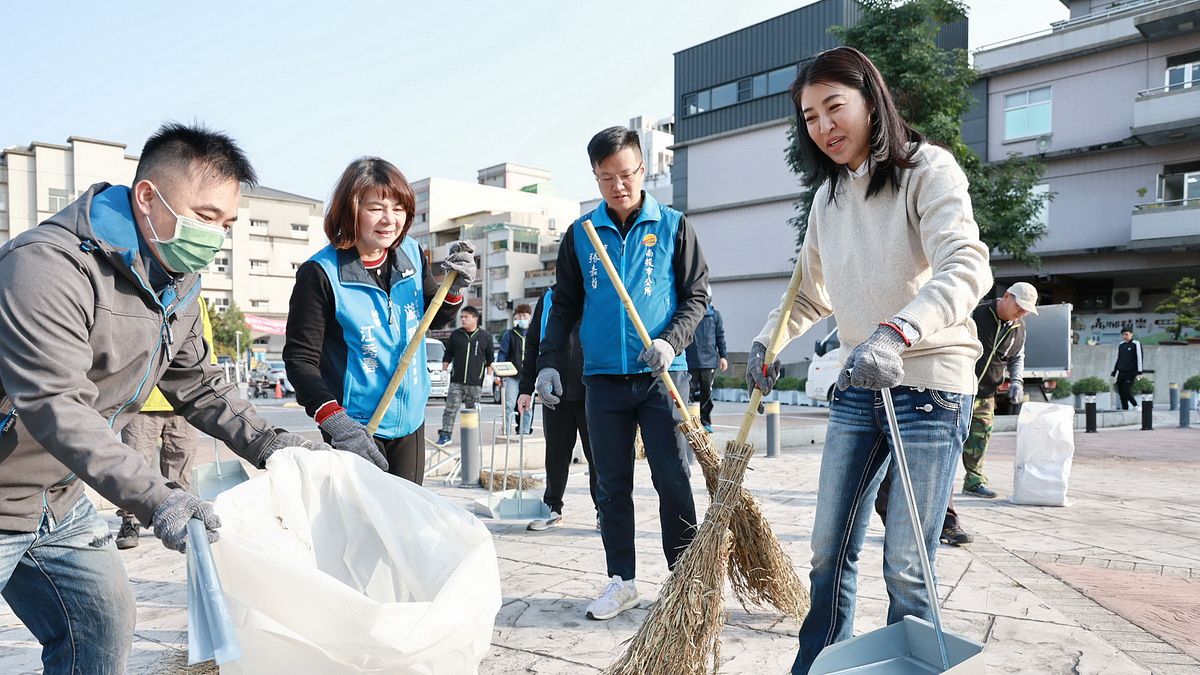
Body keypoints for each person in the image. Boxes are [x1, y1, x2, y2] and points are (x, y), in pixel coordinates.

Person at [0, 122, 373, 673]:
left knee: (101, 626)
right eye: (204, 217)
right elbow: (58, 403)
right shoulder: (45, 268)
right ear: (148, 196)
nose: (215, 237)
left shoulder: (176, 278)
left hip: (57, 497)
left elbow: (197, 383)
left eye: (227, 222)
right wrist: (158, 498)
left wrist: (278, 446)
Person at [744, 48, 991, 674]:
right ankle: (818, 664)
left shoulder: (928, 170)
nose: (824, 126)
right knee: (829, 548)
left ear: (869, 102)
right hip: (862, 385)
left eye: (835, 107)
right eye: (809, 116)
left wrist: (898, 331)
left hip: (929, 384)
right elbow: (808, 290)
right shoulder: (828, 198)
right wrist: (768, 342)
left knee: (908, 563)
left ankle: (906, 666)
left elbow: (968, 263)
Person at [537, 126, 709, 621]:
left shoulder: (674, 226)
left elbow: (697, 297)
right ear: (595, 177)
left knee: (672, 479)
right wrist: (548, 363)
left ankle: (684, 582)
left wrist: (668, 342)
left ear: (643, 170)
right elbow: (564, 306)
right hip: (603, 382)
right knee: (610, 485)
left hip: (659, 379)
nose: (619, 185)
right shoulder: (581, 234)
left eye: (627, 174)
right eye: (606, 177)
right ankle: (622, 580)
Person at [284, 157, 475, 485]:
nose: (390, 219)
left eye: (399, 208)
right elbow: (300, 362)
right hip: (355, 428)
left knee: (406, 527)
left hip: (409, 421)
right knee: (362, 530)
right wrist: (336, 423)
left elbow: (433, 315)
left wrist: (453, 288)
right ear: (350, 209)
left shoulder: (412, 254)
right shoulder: (321, 274)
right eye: (376, 208)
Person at [115, 297, 217, 549]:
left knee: (180, 467)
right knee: (133, 466)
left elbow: (205, 345)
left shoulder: (194, 297)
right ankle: (130, 521)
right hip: (141, 403)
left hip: (182, 403)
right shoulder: (134, 293)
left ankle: (179, 520)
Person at [517, 286, 599, 531]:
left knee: (598, 457)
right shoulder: (549, 298)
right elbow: (533, 343)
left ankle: (603, 512)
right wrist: (525, 388)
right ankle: (553, 509)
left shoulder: (598, 290)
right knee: (555, 455)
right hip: (553, 391)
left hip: (592, 392)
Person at [961, 282, 1038, 498]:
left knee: (980, 438)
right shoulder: (976, 313)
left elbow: (1017, 357)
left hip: (986, 394)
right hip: (958, 389)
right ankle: (939, 482)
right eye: (1019, 307)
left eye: (1026, 311)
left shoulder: (1019, 328)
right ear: (1006, 296)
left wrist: (1017, 381)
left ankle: (974, 481)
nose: (1021, 313)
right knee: (949, 437)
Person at [436, 305, 494, 447]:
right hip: (457, 381)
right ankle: (445, 435)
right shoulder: (456, 335)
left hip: (475, 382)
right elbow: (448, 354)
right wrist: (444, 370)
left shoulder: (485, 336)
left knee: (472, 411)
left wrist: (489, 376)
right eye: (461, 316)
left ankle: (471, 437)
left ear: (475, 318)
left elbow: (490, 359)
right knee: (450, 408)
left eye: (466, 316)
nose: (462, 319)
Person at [685, 293, 728, 433]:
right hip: (690, 360)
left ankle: (705, 422)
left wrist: (723, 356)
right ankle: (688, 422)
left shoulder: (715, 315)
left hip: (709, 361)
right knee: (688, 393)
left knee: (706, 394)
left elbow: (720, 336)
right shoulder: (689, 314)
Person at [497, 303, 534, 437]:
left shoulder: (533, 333)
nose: (522, 318)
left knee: (527, 406)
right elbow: (503, 353)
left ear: (530, 317)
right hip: (513, 376)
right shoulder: (510, 334)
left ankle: (524, 431)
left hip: (530, 375)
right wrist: (499, 373)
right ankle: (506, 430)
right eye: (519, 316)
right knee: (509, 404)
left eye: (524, 315)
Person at [1112, 327, 1143, 410]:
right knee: (1121, 392)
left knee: (1126, 390)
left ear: (1131, 334)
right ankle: (1125, 408)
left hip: (1131, 372)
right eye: (1123, 335)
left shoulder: (1136, 344)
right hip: (1121, 372)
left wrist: (1139, 372)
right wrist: (1115, 371)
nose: (1125, 336)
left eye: (1126, 334)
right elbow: (1118, 358)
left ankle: (1136, 405)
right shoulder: (1121, 345)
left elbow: (1139, 358)